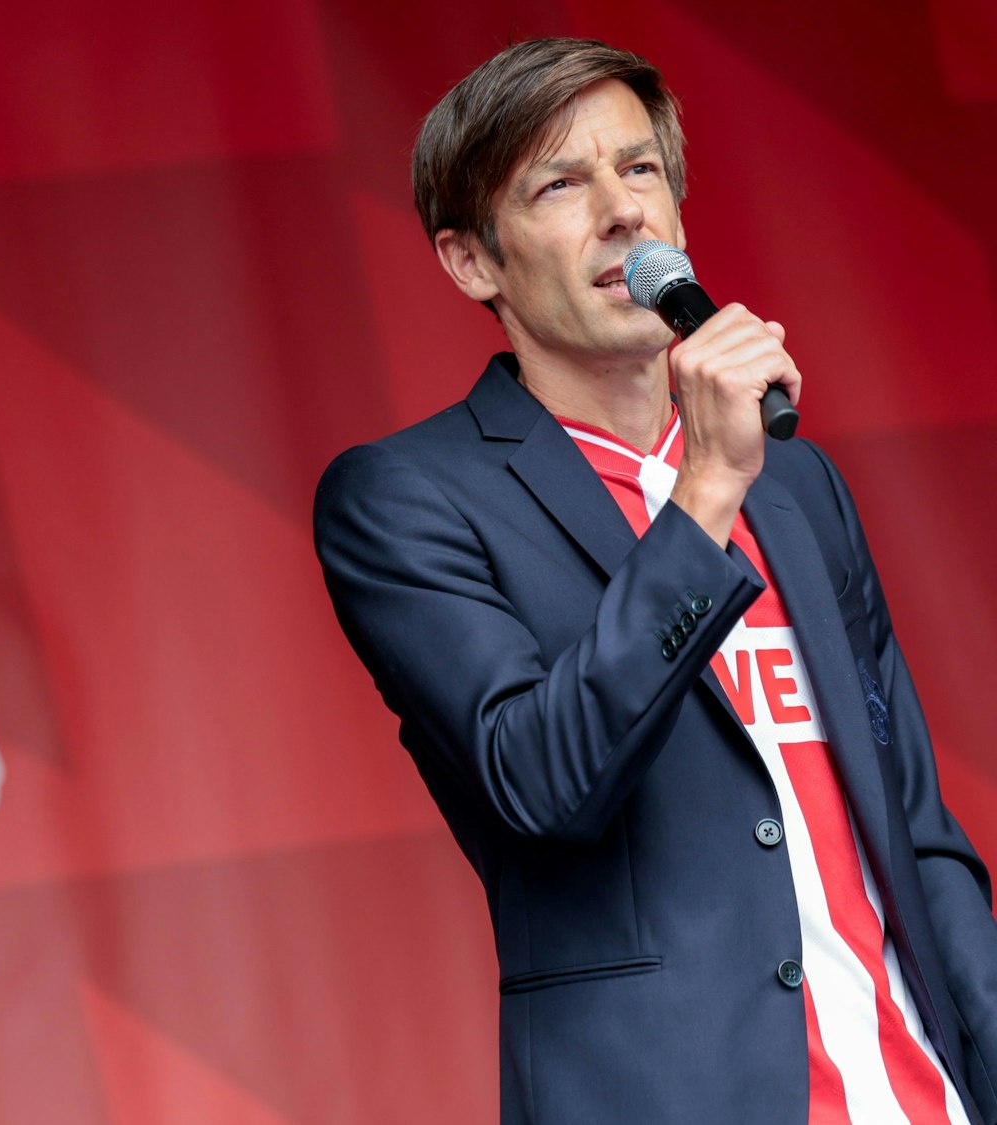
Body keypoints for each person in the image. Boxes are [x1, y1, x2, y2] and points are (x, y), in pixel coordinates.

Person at [313, 37, 997, 1124]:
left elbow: (913, 826)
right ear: (469, 262)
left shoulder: (798, 485)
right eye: (558, 184)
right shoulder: (406, 498)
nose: (622, 212)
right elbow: (540, 784)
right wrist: (706, 488)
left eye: (638, 171)